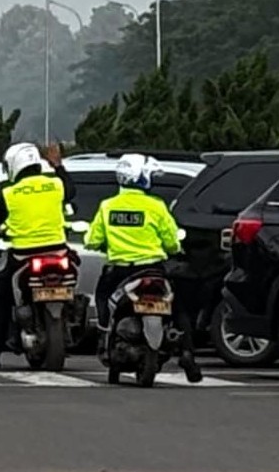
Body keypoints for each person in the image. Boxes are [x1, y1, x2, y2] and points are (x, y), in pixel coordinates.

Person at [83, 152, 200, 382]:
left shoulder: (108, 206)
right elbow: (171, 241)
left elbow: (93, 240)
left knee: (103, 298)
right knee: (179, 308)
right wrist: (174, 248)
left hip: (120, 271)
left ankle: (106, 336)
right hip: (153, 268)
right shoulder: (156, 206)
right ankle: (188, 353)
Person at [0, 143, 75, 371]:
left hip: (23, 257)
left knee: (0, 296)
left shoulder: (10, 193)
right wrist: (58, 165)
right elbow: (72, 191)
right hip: (58, 252)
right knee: (73, 279)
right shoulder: (55, 184)